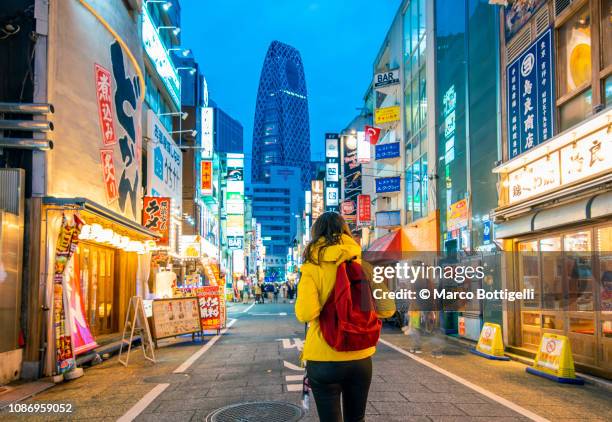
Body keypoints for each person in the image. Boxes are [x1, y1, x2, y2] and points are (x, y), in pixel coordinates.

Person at [295, 212, 395, 422]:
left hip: (323, 358)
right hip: (360, 356)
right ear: (346, 232)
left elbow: (305, 313)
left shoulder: (311, 267)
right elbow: (387, 309)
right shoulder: (365, 266)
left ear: (316, 234)